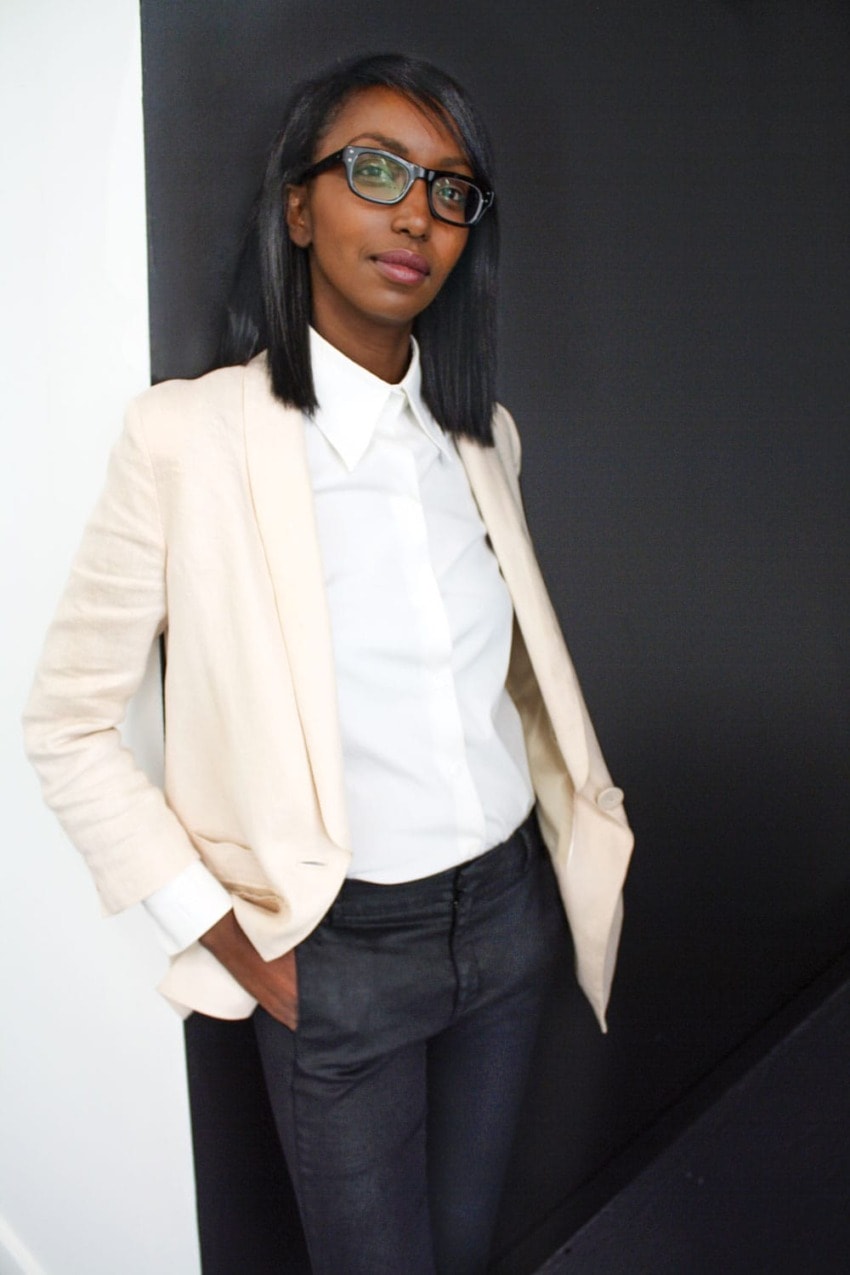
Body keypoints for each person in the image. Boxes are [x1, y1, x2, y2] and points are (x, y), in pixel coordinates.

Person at [23, 52, 633, 1275]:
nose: (416, 213)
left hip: (508, 923)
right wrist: (225, 932)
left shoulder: (481, 437)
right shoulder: (191, 440)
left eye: (451, 191)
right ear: (298, 208)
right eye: (375, 171)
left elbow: (500, 681)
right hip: (339, 952)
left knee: (465, 1247)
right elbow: (66, 725)